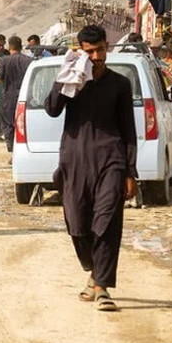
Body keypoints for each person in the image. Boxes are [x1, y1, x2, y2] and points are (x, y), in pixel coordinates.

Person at [45, 25, 137, 312]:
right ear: (80, 51)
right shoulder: (74, 81)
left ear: (107, 47)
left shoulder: (120, 84)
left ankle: (102, 289)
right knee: (78, 224)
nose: (96, 57)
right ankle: (94, 271)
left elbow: (129, 130)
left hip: (111, 161)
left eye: (100, 50)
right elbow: (52, 109)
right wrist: (67, 76)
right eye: (89, 52)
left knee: (107, 223)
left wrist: (130, 172)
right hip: (75, 161)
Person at [0, 36, 33, 152]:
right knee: (23, 123)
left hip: (9, 98)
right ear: (21, 46)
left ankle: (11, 149)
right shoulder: (29, 61)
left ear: (9, 46)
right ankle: (23, 148)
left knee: (8, 124)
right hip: (25, 97)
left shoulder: (4, 61)